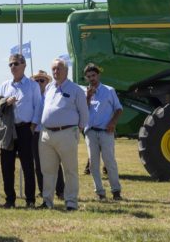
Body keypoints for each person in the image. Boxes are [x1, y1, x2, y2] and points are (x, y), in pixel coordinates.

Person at [39, 58, 89, 211]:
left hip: (67, 133)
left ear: (66, 71)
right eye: (53, 69)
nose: (56, 71)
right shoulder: (49, 88)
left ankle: (71, 202)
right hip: (46, 134)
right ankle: (47, 201)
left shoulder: (76, 90)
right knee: (47, 170)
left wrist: (77, 130)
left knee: (70, 170)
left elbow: (84, 113)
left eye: (59, 68)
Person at [0, 53, 42, 208]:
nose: (13, 67)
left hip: (25, 129)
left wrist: (33, 126)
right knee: (7, 166)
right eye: (10, 64)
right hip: (8, 129)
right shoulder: (5, 86)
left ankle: (30, 200)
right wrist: (5, 101)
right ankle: (10, 199)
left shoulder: (32, 85)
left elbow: (38, 106)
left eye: (16, 63)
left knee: (28, 165)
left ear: (24, 65)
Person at [83, 63, 123, 201]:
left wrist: (113, 123)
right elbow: (83, 111)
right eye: (89, 76)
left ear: (98, 75)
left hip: (106, 131)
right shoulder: (85, 93)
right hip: (90, 132)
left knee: (109, 161)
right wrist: (88, 97)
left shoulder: (109, 90)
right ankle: (100, 192)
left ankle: (116, 191)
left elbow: (119, 109)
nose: (91, 78)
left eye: (93, 75)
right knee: (93, 163)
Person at [31, 70, 64, 200]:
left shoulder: (51, 95)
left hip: (49, 132)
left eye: (42, 80)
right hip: (35, 133)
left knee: (55, 162)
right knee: (38, 164)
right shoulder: (31, 97)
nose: (39, 83)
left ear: (47, 82)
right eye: (36, 80)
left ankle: (60, 190)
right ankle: (42, 190)